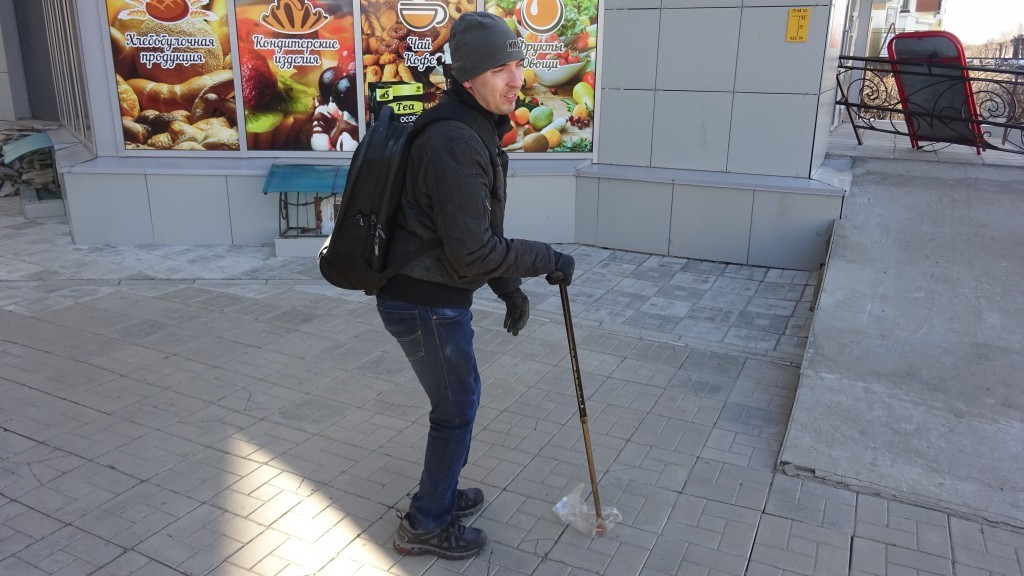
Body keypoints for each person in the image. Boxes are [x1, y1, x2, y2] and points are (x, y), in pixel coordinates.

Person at [376, 10, 576, 561]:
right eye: (500, 69)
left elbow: (477, 233)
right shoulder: (455, 142)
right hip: (423, 302)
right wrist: (546, 258)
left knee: (459, 401)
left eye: (517, 64)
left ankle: (438, 494)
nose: (517, 79)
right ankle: (425, 523)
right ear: (468, 78)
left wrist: (508, 287)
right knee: (457, 407)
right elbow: (471, 252)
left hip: (433, 295)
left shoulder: (472, 128)